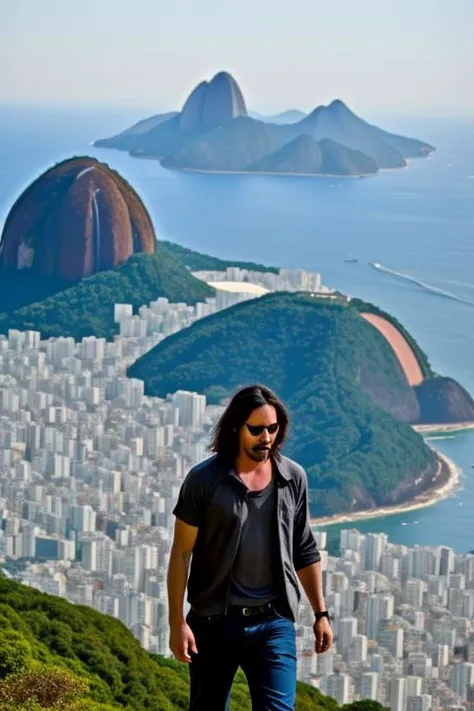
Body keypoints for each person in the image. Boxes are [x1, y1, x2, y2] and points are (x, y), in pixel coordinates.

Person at [167, 384, 333, 711]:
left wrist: (321, 613)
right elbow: (181, 554)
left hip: (273, 621)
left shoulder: (293, 478)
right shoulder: (204, 481)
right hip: (214, 621)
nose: (266, 438)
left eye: (273, 428)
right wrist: (177, 623)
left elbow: (304, 548)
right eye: (256, 429)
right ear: (235, 428)